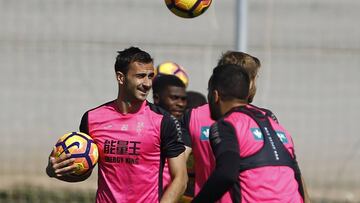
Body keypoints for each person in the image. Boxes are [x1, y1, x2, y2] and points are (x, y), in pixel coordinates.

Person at [46, 47, 188, 203]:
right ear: (121, 78)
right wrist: (55, 171)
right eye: (140, 76)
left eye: (150, 76)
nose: (147, 84)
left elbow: (180, 178)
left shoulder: (163, 121)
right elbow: (84, 171)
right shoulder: (92, 119)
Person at [191, 64, 304, 202]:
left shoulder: (227, 125)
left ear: (215, 96)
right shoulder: (277, 126)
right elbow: (296, 176)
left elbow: (226, 174)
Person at [180, 51, 265, 202]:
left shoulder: (193, 116)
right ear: (247, 82)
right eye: (255, 78)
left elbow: (176, 172)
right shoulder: (264, 119)